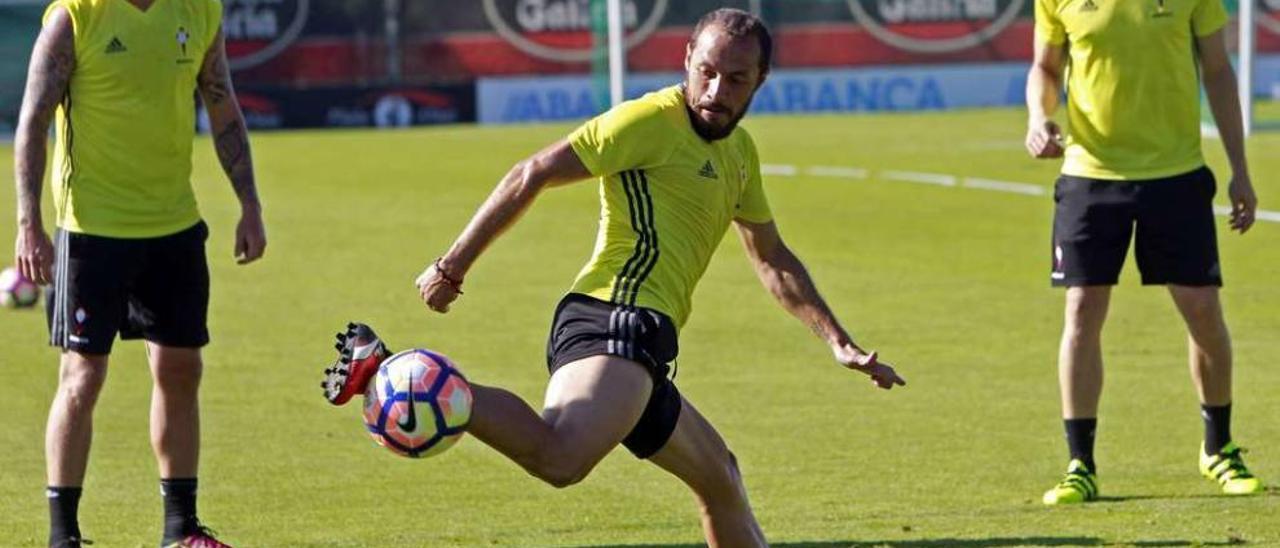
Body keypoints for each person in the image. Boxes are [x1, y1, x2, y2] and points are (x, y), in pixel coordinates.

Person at [321, 8, 903, 546]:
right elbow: (533, 172)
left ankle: (408, 376)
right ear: (686, 62)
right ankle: (403, 375)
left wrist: (837, 340)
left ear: (761, 79)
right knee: (561, 458)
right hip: (613, 317)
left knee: (720, 478)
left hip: (645, 345)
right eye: (706, 72)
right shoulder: (650, 120)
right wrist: (452, 266)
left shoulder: (740, 154)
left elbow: (772, 259)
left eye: (736, 79)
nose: (716, 92)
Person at [12, 0, 266, 544]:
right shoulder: (75, 17)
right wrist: (28, 223)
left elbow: (222, 104)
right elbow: (32, 120)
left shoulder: (199, 11)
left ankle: (180, 529)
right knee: (82, 376)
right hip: (91, 233)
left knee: (181, 370)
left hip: (173, 226)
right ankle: (64, 535)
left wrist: (250, 204)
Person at [1026, 0, 1262, 504]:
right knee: (1082, 311)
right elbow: (1045, 67)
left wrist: (1239, 168)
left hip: (1176, 175)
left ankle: (1218, 448)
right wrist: (1037, 116)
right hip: (1089, 176)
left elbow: (1218, 72)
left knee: (1202, 309)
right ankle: (1080, 464)